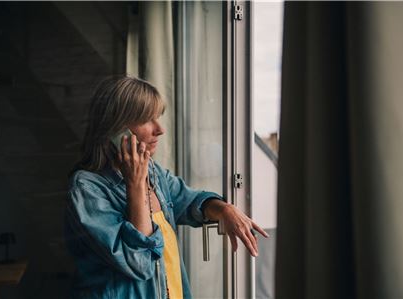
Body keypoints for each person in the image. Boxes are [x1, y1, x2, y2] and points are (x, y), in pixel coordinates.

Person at [64, 75, 268, 299]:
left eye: (157, 118)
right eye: (146, 119)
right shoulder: (87, 189)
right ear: (116, 130)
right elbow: (139, 263)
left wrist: (224, 210)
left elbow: (188, 199)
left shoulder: (153, 171)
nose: (159, 129)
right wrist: (135, 186)